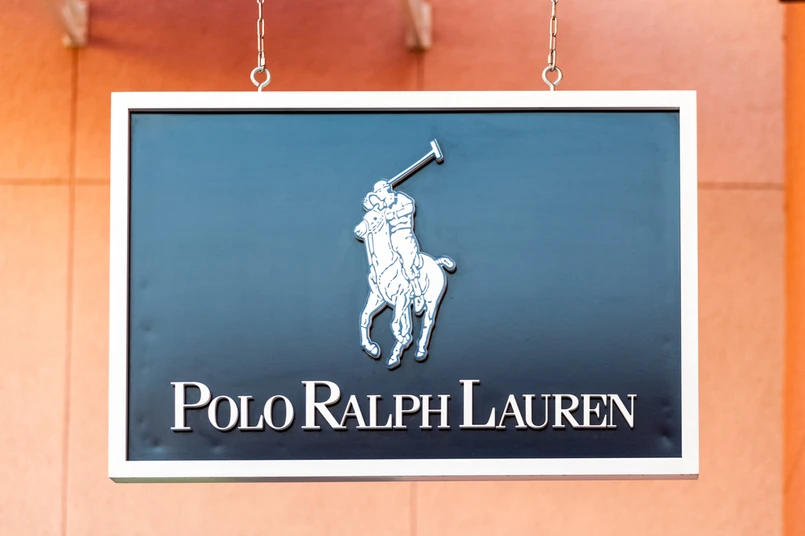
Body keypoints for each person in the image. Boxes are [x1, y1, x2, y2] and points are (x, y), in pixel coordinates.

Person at [363, 180, 425, 313]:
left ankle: (418, 294)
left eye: (378, 192)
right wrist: (369, 204)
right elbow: (375, 214)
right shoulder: (382, 205)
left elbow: (409, 207)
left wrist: (393, 214)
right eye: (376, 193)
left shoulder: (400, 198)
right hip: (390, 239)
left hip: (404, 236)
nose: (378, 194)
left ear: (385, 189)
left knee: (407, 265)